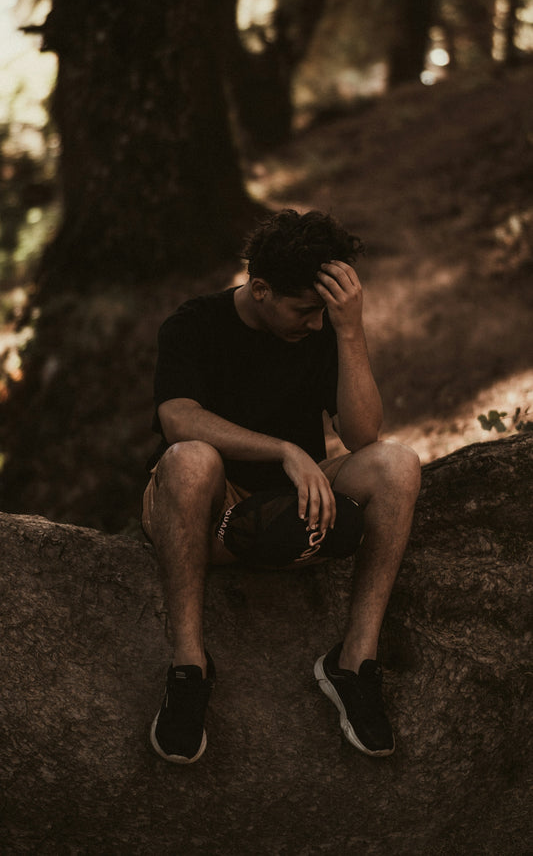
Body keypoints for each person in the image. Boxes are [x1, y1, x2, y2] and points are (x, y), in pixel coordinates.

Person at [142, 209, 420, 764]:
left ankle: (353, 663)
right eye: (304, 311)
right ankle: (189, 667)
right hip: (204, 511)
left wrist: (350, 329)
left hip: (290, 512)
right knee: (191, 458)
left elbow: (363, 434)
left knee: (398, 463)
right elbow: (177, 419)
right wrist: (285, 450)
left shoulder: (325, 329)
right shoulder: (193, 323)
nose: (314, 325)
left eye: (323, 313)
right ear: (261, 289)